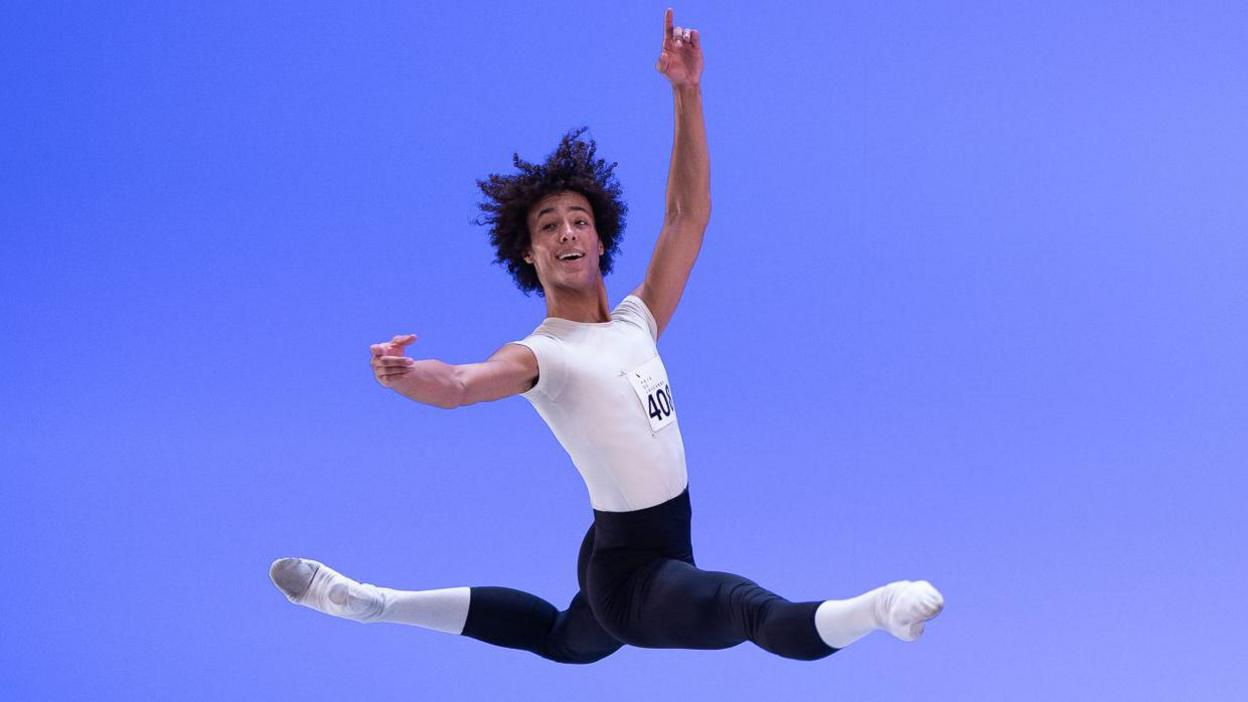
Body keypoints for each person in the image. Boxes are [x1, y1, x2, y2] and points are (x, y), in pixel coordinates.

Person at [270, 8, 943, 663]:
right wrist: (405, 375)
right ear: (529, 254)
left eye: (578, 220)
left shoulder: (637, 319)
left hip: (625, 544)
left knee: (566, 641)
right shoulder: (544, 355)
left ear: (599, 237)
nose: (566, 231)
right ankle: (881, 608)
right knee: (746, 609)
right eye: (548, 226)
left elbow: (687, 216)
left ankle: (376, 603)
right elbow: (461, 384)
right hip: (632, 576)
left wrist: (687, 91)